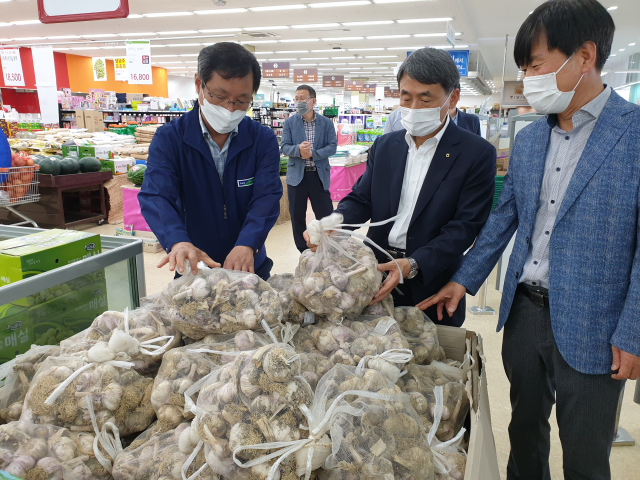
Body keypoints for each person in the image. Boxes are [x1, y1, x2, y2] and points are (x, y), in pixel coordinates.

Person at [419, 1, 640, 478]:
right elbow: (506, 217)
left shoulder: (635, 133)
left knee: (584, 450)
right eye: (523, 68)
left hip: (596, 324)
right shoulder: (531, 139)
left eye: (536, 65)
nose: (527, 79)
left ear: (584, 56)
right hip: (524, 313)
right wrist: (464, 279)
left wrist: (633, 330)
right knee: (524, 436)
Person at [305, 47, 497, 327]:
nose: (414, 108)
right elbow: (362, 198)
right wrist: (335, 221)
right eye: (406, 98)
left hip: (432, 283)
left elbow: (464, 227)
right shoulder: (386, 146)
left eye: (425, 98)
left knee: (428, 361)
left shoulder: (475, 153)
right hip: (376, 275)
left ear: (452, 97)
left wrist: (414, 263)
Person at [139, 42, 282, 279]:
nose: (229, 108)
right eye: (220, 96)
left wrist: (248, 243)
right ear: (199, 84)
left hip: (249, 265)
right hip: (194, 265)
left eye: (241, 101)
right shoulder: (170, 138)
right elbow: (156, 196)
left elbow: (266, 198)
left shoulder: (262, 140)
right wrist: (177, 241)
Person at [281, 85, 337, 253]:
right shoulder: (290, 122)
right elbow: (284, 147)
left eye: (303, 98)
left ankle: (329, 247)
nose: (299, 102)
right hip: (297, 177)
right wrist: (298, 150)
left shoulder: (326, 123)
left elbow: (332, 147)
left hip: (318, 175)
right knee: (297, 216)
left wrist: (312, 154)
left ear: (313, 101)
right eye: (296, 98)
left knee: (326, 215)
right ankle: (303, 250)